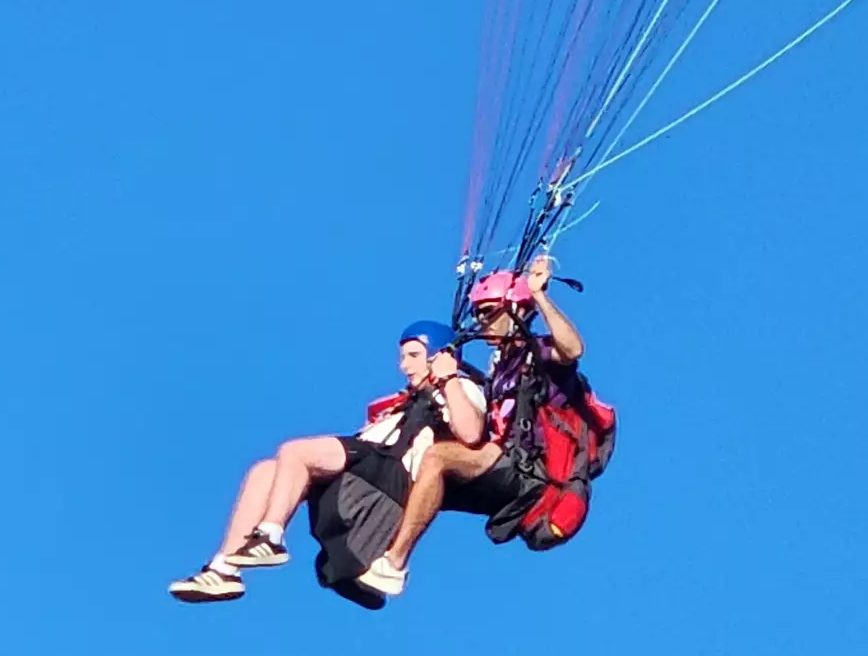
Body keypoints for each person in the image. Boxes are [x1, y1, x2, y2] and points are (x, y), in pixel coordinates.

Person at [168, 322, 485, 604]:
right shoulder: (405, 400)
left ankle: (271, 537)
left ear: (439, 355)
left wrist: (449, 378)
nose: (404, 365)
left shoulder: (460, 388)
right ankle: (224, 569)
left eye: (414, 355)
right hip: (368, 466)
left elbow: (470, 433)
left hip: (389, 474)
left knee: (295, 451)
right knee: (265, 471)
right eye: (403, 357)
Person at [358, 252, 613, 597]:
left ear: (516, 309)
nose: (482, 321)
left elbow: (573, 349)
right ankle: (364, 559)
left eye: (490, 312)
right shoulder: (499, 370)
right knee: (412, 473)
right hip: (503, 469)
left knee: (438, 457)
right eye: (479, 313)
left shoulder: (539, 356)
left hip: (531, 477)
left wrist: (539, 295)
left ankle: (395, 563)